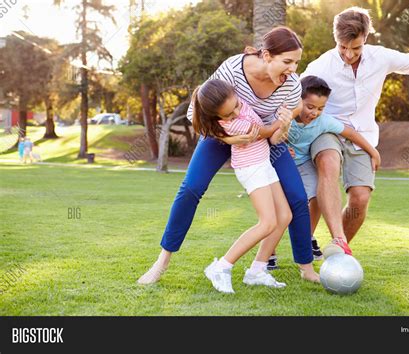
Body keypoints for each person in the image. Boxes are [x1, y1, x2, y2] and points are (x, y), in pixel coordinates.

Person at [138, 26, 320, 285]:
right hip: (220, 135)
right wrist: (230, 139)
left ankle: (303, 267)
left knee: (297, 197)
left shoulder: (289, 83)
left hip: (263, 137)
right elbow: (195, 114)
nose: (293, 69)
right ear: (267, 55)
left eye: (297, 62)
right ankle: (162, 261)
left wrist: (286, 119)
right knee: (191, 188)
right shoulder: (234, 69)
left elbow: (295, 106)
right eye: (287, 61)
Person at [300, 6, 409, 249]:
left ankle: (336, 250)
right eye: (343, 47)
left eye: (356, 48)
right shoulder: (320, 66)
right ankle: (314, 245)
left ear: (366, 38)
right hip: (327, 131)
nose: (349, 54)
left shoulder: (379, 57)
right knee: (328, 163)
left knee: (360, 199)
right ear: (335, 39)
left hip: (363, 136)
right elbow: (292, 97)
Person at [191, 79, 290, 293]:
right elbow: (264, 132)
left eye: (236, 105)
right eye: (227, 115)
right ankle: (221, 266)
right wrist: (283, 119)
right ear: (217, 116)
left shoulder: (237, 101)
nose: (235, 112)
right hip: (251, 168)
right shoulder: (235, 124)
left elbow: (246, 105)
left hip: (263, 163)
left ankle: (257, 270)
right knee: (267, 223)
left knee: (284, 216)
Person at [286, 75, 380, 258]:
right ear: (298, 101)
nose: (314, 113)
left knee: (316, 196)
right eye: (310, 107)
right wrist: (282, 149)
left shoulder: (324, 121)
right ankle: (269, 253)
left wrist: (373, 151)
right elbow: (269, 135)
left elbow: (350, 133)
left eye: (320, 108)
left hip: (303, 165)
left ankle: (306, 241)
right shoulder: (287, 117)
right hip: (283, 165)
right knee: (279, 208)